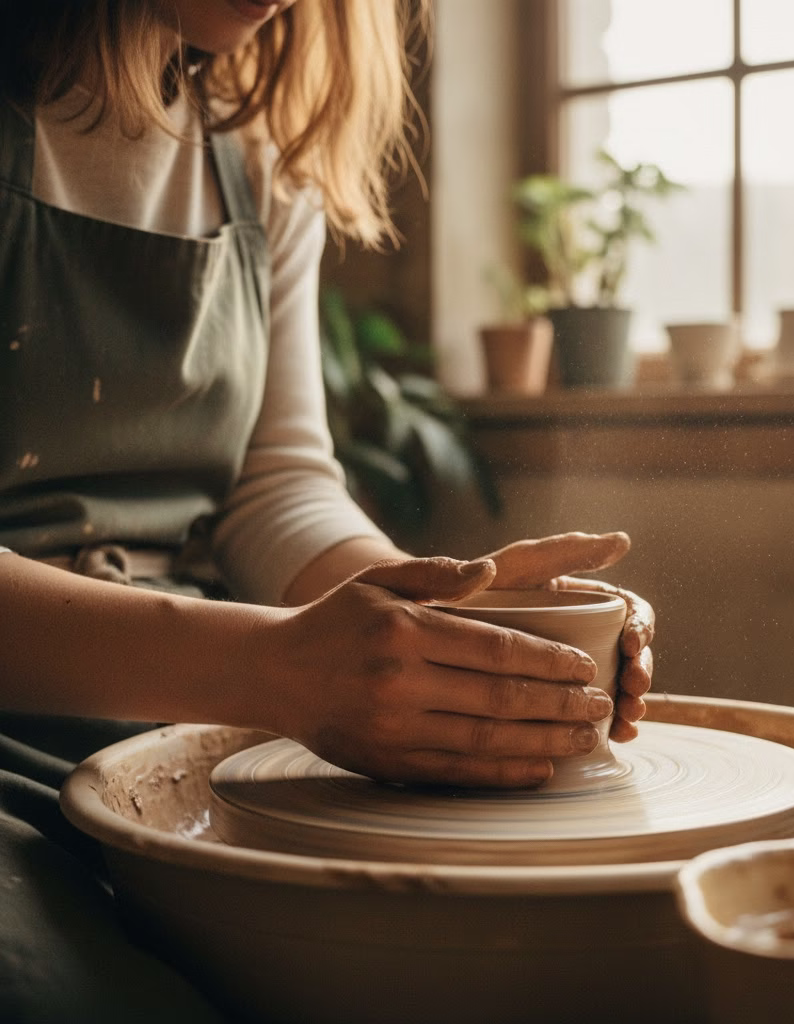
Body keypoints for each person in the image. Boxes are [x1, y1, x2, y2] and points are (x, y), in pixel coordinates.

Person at [0, 1, 654, 1019]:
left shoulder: (253, 148)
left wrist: (450, 624)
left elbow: (275, 485)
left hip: (154, 731)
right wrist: (269, 666)